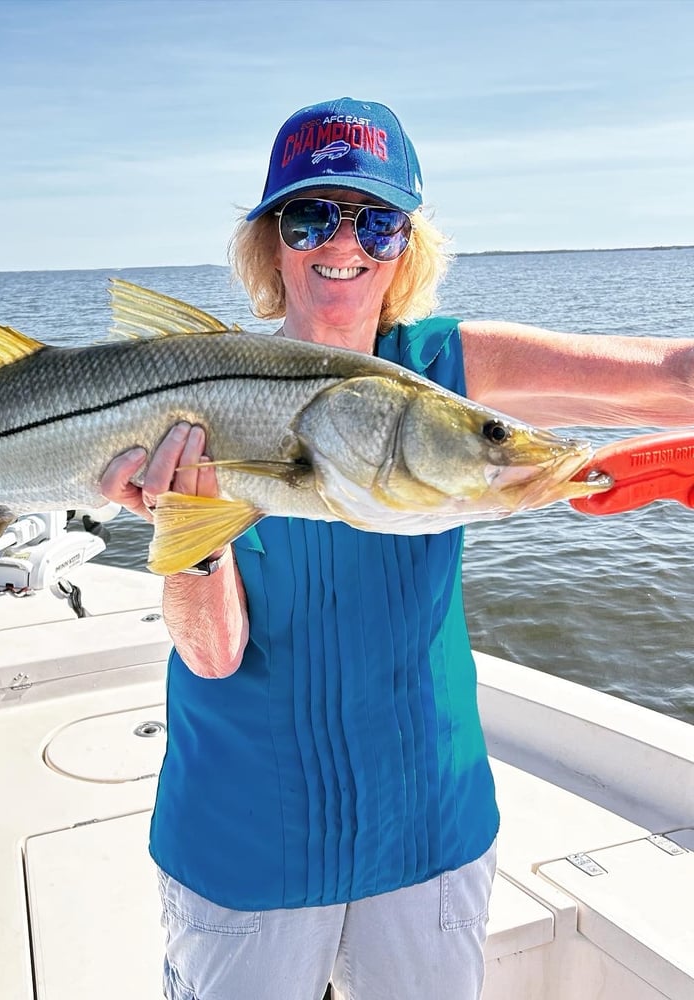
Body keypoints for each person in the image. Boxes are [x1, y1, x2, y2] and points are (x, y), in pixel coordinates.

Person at [100, 97, 694, 1000]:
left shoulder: (446, 375)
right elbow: (213, 655)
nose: (345, 242)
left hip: (429, 825)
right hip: (244, 832)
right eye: (310, 215)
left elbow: (666, 381)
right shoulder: (203, 398)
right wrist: (191, 537)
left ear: (406, 248)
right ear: (269, 244)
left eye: (378, 221)